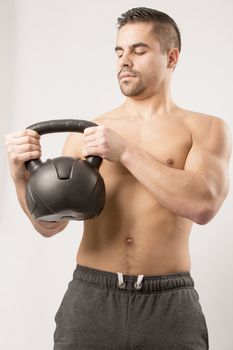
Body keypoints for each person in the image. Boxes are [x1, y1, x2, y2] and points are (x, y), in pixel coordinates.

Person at [5, 6, 232, 350]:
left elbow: (203, 205)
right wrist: (19, 176)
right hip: (91, 296)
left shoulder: (204, 128)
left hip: (168, 301)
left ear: (171, 58)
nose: (125, 60)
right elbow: (49, 226)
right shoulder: (87, 133)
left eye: (139, 50)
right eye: (119, 51)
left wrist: (126, 152)